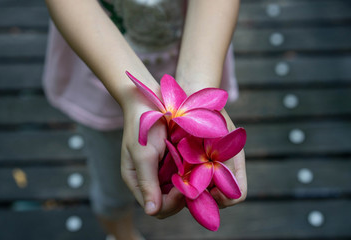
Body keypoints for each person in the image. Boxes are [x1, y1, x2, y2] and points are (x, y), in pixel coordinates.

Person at [43, 0, 246, 239]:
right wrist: (133, 97)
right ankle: (122, 233)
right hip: (100, 68)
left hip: (195, 54)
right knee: (112, 188)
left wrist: (199, 83)